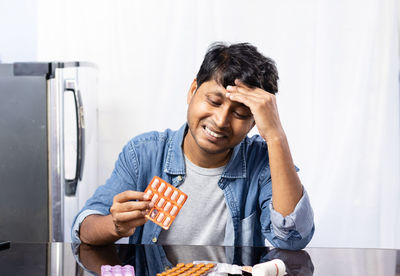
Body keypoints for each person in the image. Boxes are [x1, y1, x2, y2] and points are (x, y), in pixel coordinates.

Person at [71, 42, 315, 251]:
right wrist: (115, 225)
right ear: (192, 91)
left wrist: (276, 136)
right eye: (213, 101)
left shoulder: (263, 161)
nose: (220, 121)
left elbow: (292, 239)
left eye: (240, 113)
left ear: (254, 122)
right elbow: (83, 228)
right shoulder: (144, 154)